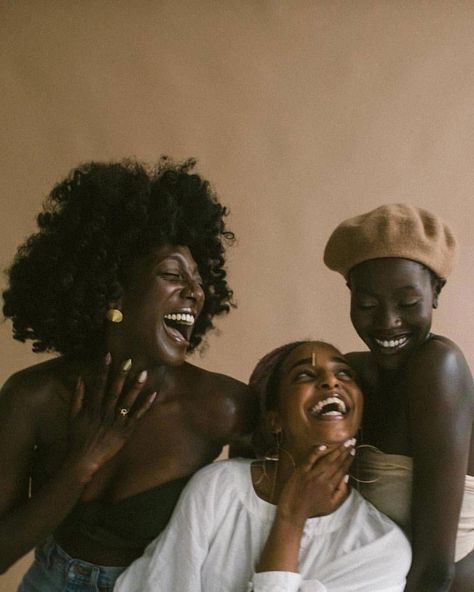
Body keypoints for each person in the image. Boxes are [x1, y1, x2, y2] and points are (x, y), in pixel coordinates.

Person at [0, 157, 256, 591]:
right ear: (112, 288)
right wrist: (82, 463)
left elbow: (258, 529)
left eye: (198, 279)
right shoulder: (34, 397)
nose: (195, 293)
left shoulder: (222, 407)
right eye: (172, 275)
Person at [114, 340, 411, 592]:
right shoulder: (220, 489)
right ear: (274, 420)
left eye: (344, 374)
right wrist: (290, 514)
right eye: (304, 375)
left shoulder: (381, 548)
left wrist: (291, 521)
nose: (331, 381)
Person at [323, 204, 474, 592]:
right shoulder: (350, 374)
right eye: (368, 305)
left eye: (407, 304)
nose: (388, 322)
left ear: (435, 292)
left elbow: (435, 568)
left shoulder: (439, 368)